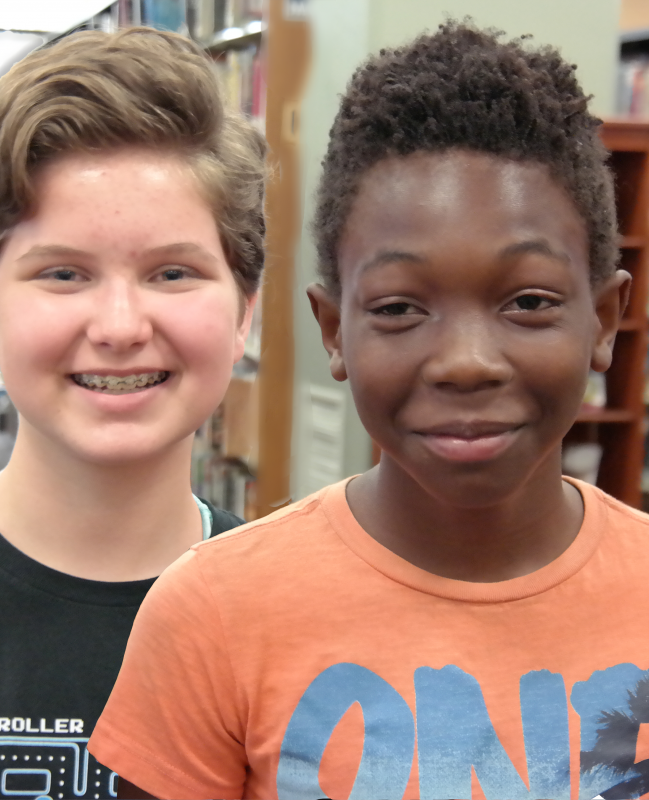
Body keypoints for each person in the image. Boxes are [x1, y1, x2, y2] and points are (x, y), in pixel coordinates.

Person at [88, 21, 644, 800]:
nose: (466, 362)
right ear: (333, 330)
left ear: (605, 321)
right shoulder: (215, 613)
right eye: (398, 308)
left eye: (527, 301)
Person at [0, 26, 265, 799]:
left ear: (242, 311)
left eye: (172, 272)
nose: (119, 326)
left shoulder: (297, 615)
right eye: (64, 274)